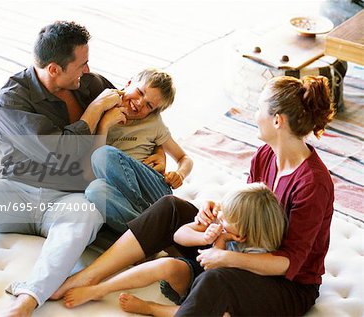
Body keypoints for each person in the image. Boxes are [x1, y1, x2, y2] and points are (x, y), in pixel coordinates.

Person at [0, 21, 156, 317]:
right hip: (17, 193)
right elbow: (58, 153)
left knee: (88, 212)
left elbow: (140, 120)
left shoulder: (91, 84)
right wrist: (94, 113)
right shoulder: (12, 100)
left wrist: (162, 154)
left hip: (69, 198)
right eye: (81, 64)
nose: (87, 69)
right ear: (54, 69)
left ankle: (25, 303)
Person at [54, 75, 335, 316]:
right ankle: (87, 278)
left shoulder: (313, 184)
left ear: (277, 120)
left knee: (217, 281)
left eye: (259, 108)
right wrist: (220, 213)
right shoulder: (265, 155)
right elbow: (248, 208)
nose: (254, 114)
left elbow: (289, 263)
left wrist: (226, 259)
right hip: (242, 251)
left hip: (286, 284)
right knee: (171, 207)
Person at [63, 182, 285, 316]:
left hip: (211, 295)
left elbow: (215, 283)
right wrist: (204, 235)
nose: (219, 219)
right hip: (192, 279)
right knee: (165, 264)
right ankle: (98, 289)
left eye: (225, 221)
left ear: (243, 235)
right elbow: (178, 235)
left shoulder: (256, 257)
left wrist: (222, 246)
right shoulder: (221, 224)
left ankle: (151, 309)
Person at [84, 68, 193, 234]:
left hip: (152, 188)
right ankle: (148, 233)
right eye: (140, 92)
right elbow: (91, 165)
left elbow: (184, 158)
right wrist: (104, 125)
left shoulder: (154, 124)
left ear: (154, 111)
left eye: (149, 105)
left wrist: (180, 174)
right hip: (118, 190)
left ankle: (152, 216)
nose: (140, 103)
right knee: (95, 190)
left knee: (103, 154)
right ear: (128, 83)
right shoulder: (104, 104)